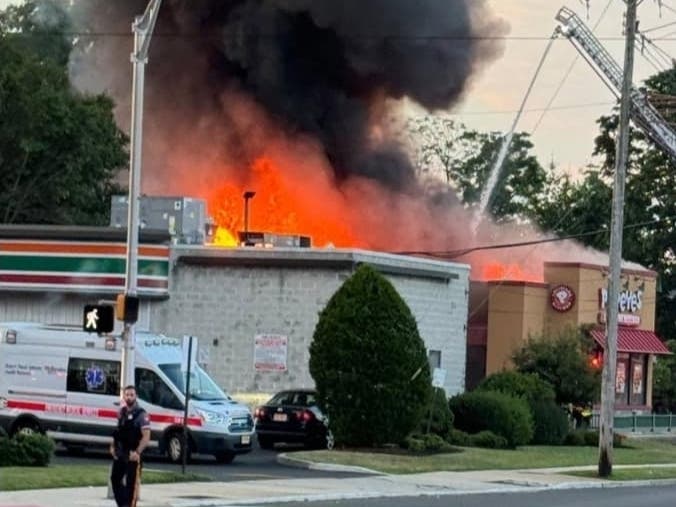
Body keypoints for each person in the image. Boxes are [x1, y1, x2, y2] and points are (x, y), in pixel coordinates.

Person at [109, 385, 151, 507]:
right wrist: (112, 446)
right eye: (127, 395)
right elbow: (117, 431)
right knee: (115, 479)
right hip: (121, 453)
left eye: (131, 395)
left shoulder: (142, 415)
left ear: (136, 396)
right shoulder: (121, 412)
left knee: (131, 486)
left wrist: (137, 452)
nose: (129, 397)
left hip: (133, 455)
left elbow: (146, 436)